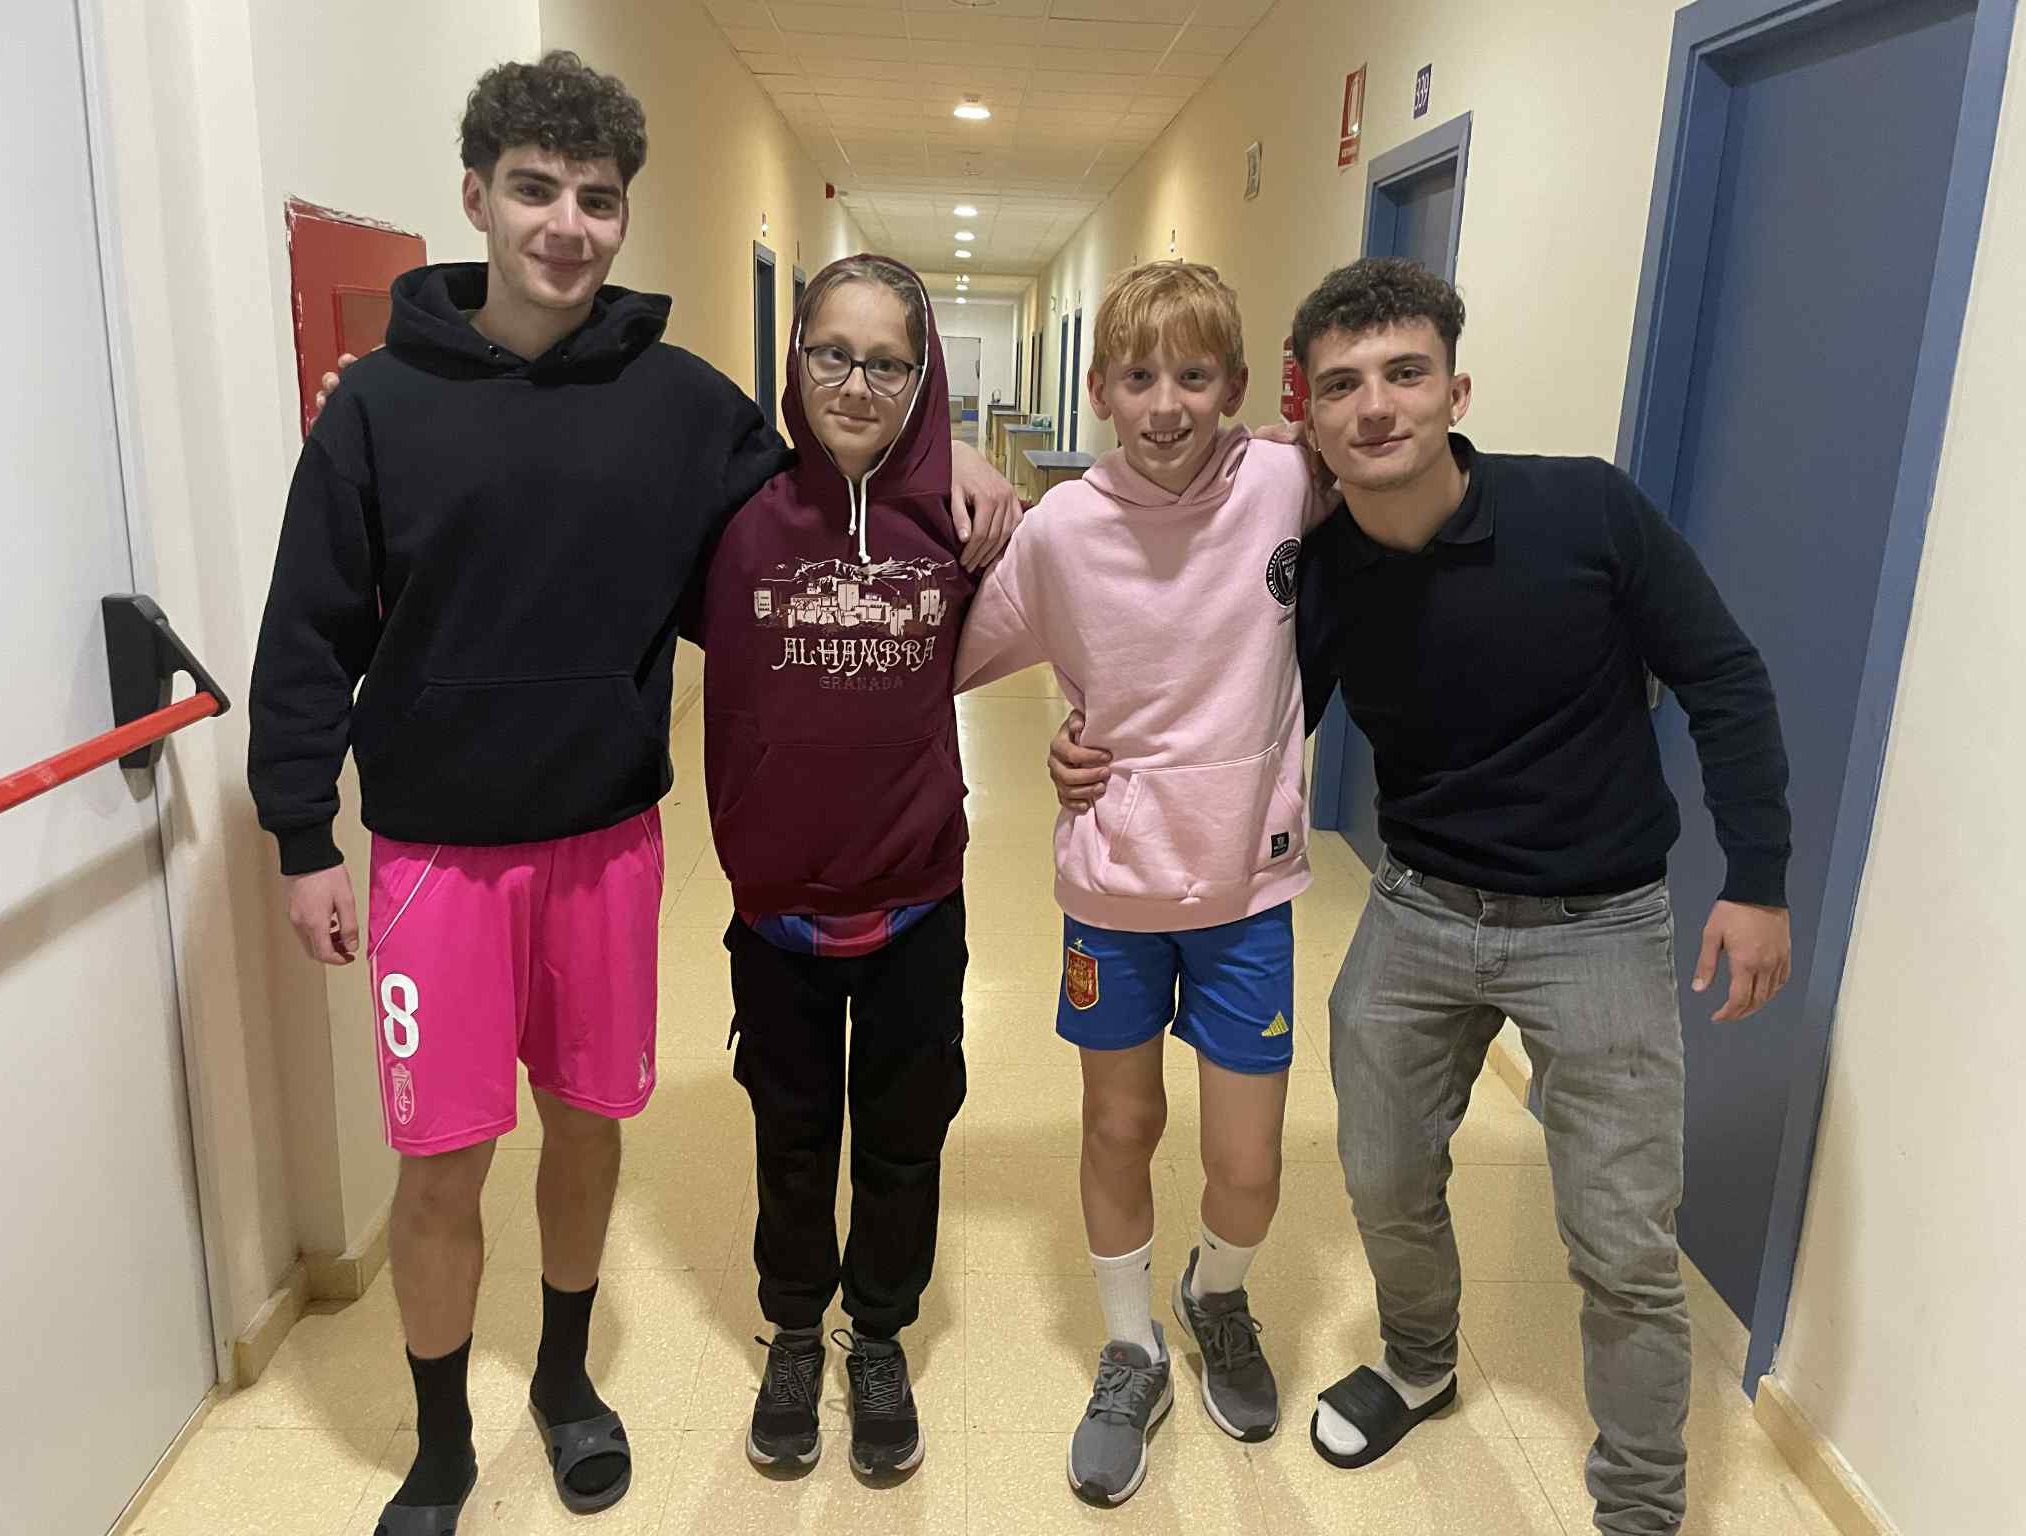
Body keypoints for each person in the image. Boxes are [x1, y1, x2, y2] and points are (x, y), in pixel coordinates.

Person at [255, 54, 1013, 1535]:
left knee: (589, 1127)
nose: (566, 224)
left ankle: (562, 1379)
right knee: (439, 1160)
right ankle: (438, 1446)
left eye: (595, 199)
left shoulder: (679, 405)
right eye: (533, 190)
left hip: (605, 839)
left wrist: (958, 453)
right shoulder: (379, 409)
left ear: (621, 216)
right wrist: (301, 834)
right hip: (433, 856)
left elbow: (822, 485)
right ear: (477, 198)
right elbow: (307, 634)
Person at [1052, 257, 1793, 1535]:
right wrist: (1090, 755)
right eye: (1342, 384)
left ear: (1455, 389)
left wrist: (1758, 879)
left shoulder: (1583, 513)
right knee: (1383, 1175)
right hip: (1419, 908)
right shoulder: (1322, 564)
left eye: (1403, 374)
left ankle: (1638, 1507)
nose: (1375, 406)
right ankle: (1417, 1361)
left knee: (1620, 1239)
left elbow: (1721, 677)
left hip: (1598, 922)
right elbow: (1240, 709)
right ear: (1305, 409)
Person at [953, 261, 1327, 1506]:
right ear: (1100, 389)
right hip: (1111, 891)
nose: (1166, 404)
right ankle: (1129, 1349)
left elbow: (1405, 471)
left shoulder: (1282, 482)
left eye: (1193, 376)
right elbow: (950, 655)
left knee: (1247, 1166)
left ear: (1235, 385)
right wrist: (946, 466)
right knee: (1119, 1126)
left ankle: (1214, 1295)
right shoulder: (1061, 531)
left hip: (1246, 895)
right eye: (1138, 376)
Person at [690, 255, 971, 1479]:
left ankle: (880, 1335)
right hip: (778, 918)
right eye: (832, 355)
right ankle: (796, 1330)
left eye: (887, 363)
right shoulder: (732, 525)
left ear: (922, 378)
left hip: (916, 902)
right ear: (795, 359)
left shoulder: (958, 526)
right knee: (792, 1134)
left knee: (905, 1138)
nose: (857, 385)